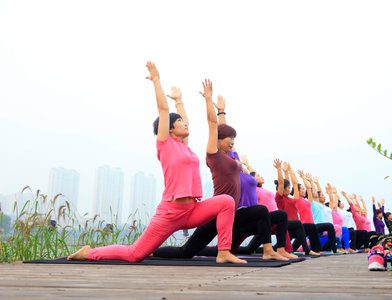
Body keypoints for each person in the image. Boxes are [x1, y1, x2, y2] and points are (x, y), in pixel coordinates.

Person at [67, 63, 244, 264]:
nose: (185, 124)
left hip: (191, 211)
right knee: (135, 254)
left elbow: (187, 120)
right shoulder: (165, 144)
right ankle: (89, 252)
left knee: (226, 202)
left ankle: (223, 252)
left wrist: (180, 101)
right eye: (179, 122)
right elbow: (163, 109)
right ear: (169, 128)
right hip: (170, 212)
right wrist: (156, 81)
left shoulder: (184, 147)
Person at [153, 84, 287, 261]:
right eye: (229, 139)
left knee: (264, 212)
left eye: (233, 139)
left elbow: (223, 130)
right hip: (218, 212)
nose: (232, 142)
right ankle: (154, 251)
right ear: (218, 141)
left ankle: (269, 251)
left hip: (235, 213)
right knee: (186, 252)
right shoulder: (214, 156)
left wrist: (222, 111)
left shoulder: (233, 158)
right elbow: (214, 126)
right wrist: (209, 101)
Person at [274, 161, 321, 255]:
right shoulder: (279, 198)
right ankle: (307, 250)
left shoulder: (290, 198)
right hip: (287, 225)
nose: (290, 189)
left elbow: (294, 183)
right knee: (303, 224)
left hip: (295, 228)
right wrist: (279, 169)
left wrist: (287, 171)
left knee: (311, 228)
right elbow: (282, 183)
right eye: (288, 187)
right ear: (283, 188)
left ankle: (316, 250)